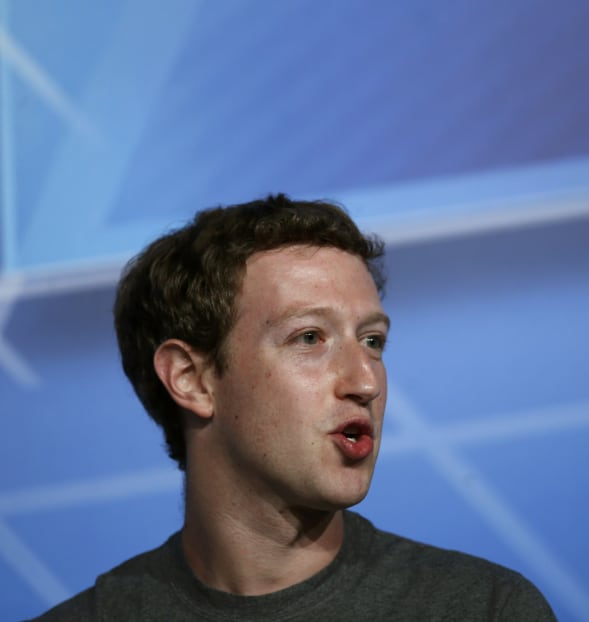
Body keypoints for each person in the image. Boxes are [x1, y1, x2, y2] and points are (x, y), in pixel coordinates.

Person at [31, 194, 556, 621]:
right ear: (191, 380)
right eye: (309, 337)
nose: (366, 381)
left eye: (372, 341)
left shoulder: (483, 610)